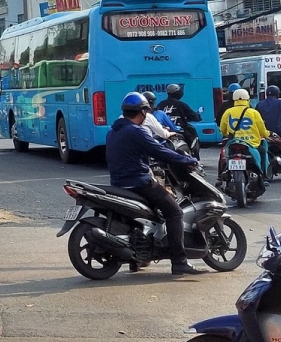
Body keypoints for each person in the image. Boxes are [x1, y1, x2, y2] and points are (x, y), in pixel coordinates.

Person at [106, 92, 205, 275]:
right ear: (142, 111)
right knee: (174, 211)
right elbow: (159, 151)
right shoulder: (136, 131)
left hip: (118, 183)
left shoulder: (113, 131)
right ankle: (179, 261)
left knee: (145, 216)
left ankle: (137, 260)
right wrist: (187, 161)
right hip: (139, 183)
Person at [220, 88, 270, 174]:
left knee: (224, 156)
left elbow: (222, 129)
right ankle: (262, 175)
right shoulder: (253, 112)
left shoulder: (228, 112)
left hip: (233, 143)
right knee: (262, 152)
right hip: (252, 144)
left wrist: (226, 134)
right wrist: (266, 134)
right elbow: (262, 129)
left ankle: (222, 175)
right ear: (247, 99)